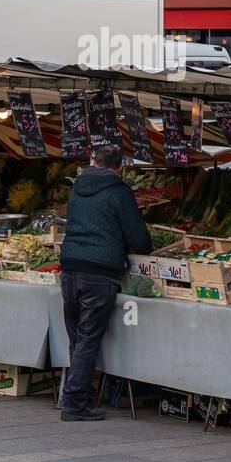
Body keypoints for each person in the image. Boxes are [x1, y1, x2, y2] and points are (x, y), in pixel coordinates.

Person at [57, 144, 151, 421]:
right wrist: (144, 246)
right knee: (87, 338)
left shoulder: (77, 189)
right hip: (99, 273)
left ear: (94, 162)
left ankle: (78, 396)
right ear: (119, 167)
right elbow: (138, 238)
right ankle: (74, 404)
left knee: (77, 336)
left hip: (70, 268)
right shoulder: (119, 193)